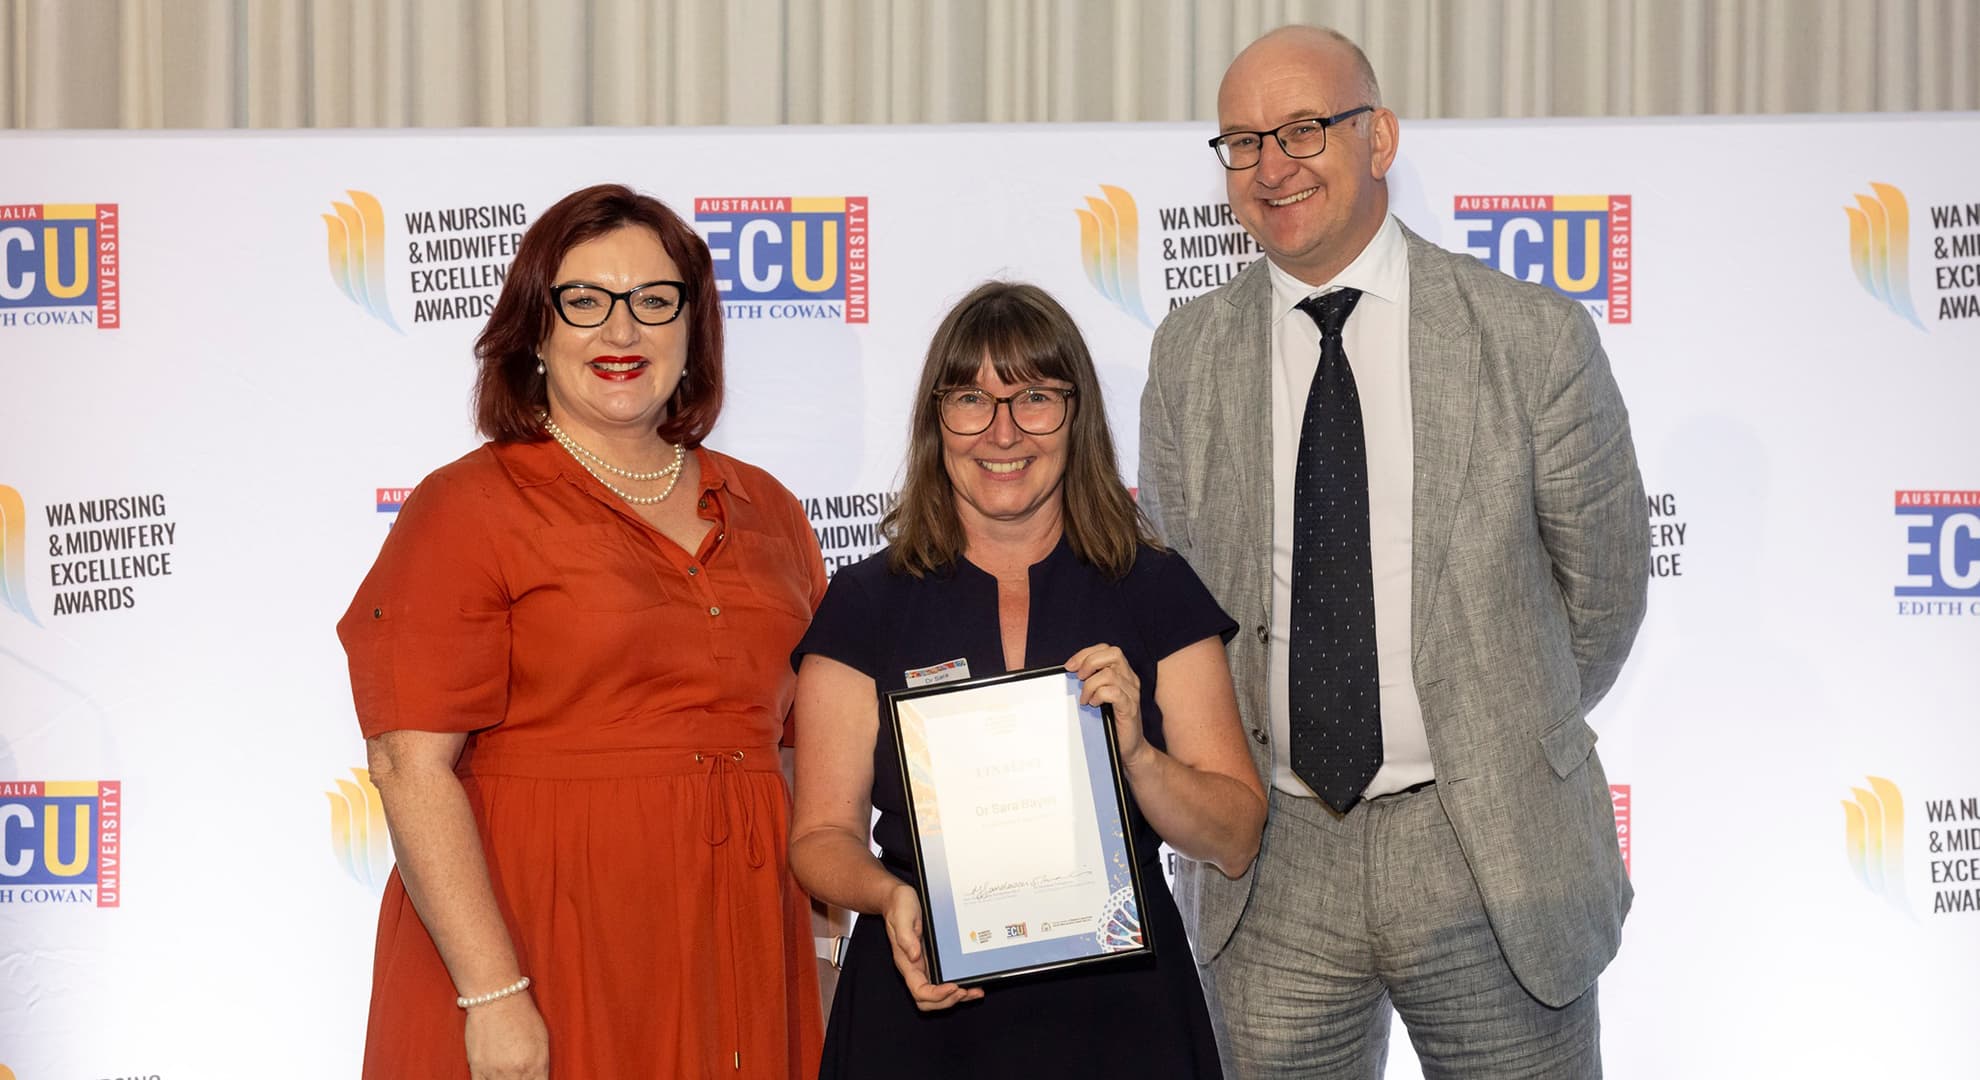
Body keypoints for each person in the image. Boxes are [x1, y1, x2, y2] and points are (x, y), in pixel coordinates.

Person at [1139, 26, 1650, 1080]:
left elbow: (1602, 595)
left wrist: (1491, 725)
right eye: (1243, 142)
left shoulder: (1530, 336)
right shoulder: (1187, 354)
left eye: (1303, 129)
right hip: (1270, 864)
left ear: (1378, 138)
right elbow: (1174, 594)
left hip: (1488, 849)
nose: (1272, 166)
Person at [336, 183, 824, 1079]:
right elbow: (408, 765)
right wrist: (493, 993)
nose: (622, 330)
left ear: (693, 327)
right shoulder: (466, 508)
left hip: (739, 949)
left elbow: (801, 755)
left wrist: (823, 952)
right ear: (537, 329)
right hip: (536, 947)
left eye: (653, 300)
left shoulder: (771, 510)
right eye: (586, 301)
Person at [788, 281, 1266, 1079]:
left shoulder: (1154, 588)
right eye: (971, 399)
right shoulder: (866, 602)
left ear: (1076, 416)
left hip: (1121, 1017)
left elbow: (1236, 837)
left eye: (1035, 397)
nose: (1002, 432)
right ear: (936, 420)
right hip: (922, 1002)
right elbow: (819, 838)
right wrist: (889, 896)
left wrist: (1139, 756)